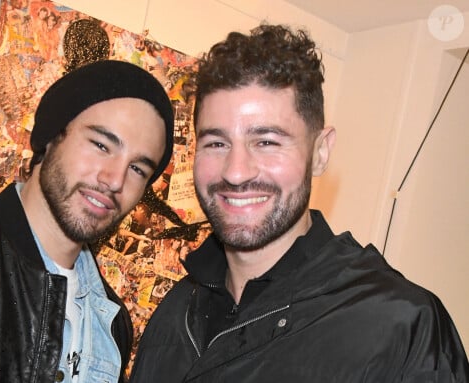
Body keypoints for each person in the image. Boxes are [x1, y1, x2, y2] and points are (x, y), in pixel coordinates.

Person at [130, 24, 469, 382]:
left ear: (320, 153)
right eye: (216, 143)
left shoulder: (398, 326)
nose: (236, 172)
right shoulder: (176, 311)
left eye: (267, 142)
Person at [0, 59, 175, 383]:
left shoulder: (112, 322)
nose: (115, 179)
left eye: (138, 168)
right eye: (100, 145)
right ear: (52, 137)